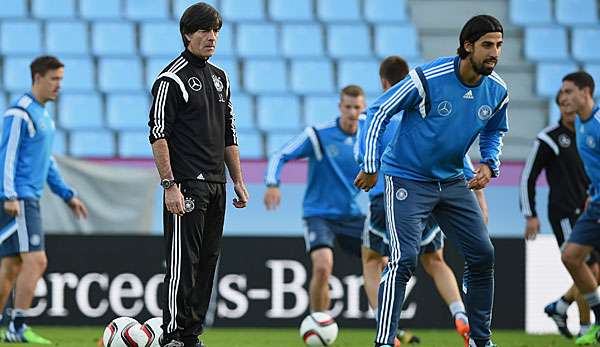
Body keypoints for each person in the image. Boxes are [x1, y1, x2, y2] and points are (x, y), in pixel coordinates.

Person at [355, 15, 508, 347]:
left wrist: (490, 163)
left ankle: (480, 341)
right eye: (487, 45)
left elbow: (495, 129)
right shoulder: (428, 77)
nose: (494, 52)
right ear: (467, 46)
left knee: (483, 254)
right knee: (404, 258)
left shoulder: (497, 89)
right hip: (407, 179)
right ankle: (384, 342)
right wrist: (371, 165)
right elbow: (380, 110)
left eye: (498, 45)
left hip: (452, 181)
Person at [147, 3, 249, 347]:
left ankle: (192, 335)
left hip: (217, 185)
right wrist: (169, 185)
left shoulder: (221, 78)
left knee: (207, 262)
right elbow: (158, 134)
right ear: (187, 34)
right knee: (182, 262)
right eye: (205, 30)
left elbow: (229, 134)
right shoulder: (170, 78)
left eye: (216, 31)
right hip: (186, 185)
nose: (212, 37)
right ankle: (173, 335)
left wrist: (237, 179)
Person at [0, 56, 88, 344]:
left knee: (12, 266)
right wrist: (9, 194)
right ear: (37, 78)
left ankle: (9, 326)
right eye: (54, 79)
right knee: (36, 261)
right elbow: (7, 156)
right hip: (20, 199)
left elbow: (46, 162)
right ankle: (17, 327)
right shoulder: (19, 113)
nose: (58, 86)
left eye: (61, 80)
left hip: (28, 198)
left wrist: (68, 194)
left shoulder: (44, 117)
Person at [264, 85, 366, 313]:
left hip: (352, 216)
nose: (352, 112)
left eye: (357, 107)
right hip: (318, 215)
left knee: (381, 261)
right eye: (348, 107)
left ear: (363, 108)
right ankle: (319, 323)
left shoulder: (369, 137)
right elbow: (280, 154)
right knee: (322, 266)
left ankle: (388, 326)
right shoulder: (319, 135)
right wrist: (273, 184)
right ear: (340, 107)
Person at [520, 90, 595, 339]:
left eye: (572, 107)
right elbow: (528, 177)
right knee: (582, 266)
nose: (569, 111)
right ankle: (586, 330)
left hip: (589, 210)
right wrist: (530, 214)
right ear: (559, 109)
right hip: (564, 213)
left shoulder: (588, 133)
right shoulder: (549, 139)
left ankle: (561, 306)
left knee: (594, 271)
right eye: (564, 107)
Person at [558, 71, 600, 345]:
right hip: (595, 202)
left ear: (586, 92)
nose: (563, 98)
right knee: (571, 257)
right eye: (562, 93)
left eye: (569, 91)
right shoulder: (581, 125)